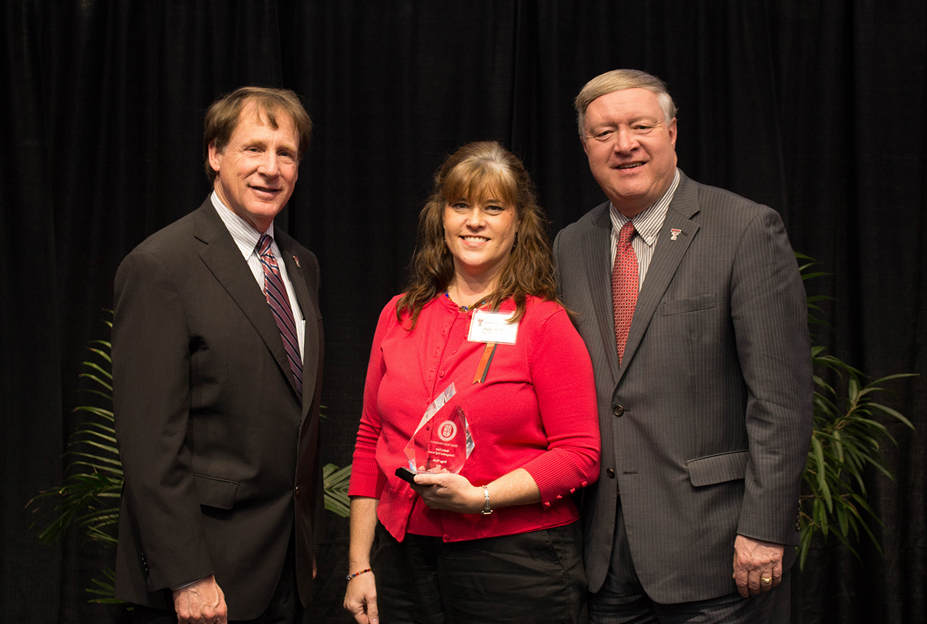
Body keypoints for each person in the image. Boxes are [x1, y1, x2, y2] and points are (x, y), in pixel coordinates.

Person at [554, 69, 814, 623]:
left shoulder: (744, 229)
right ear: (585, 147)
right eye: (604, 133)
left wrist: (764, 529)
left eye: (640, 126)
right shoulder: (571, 245)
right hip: (603, 555)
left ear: (672, 132)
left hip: (718, 551)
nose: (624, 144)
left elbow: (781, 400)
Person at [344, 141, 601, 624]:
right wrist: (359, 565)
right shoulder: (399, 314)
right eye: (461, 205)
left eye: (493, 208)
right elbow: (369, 440)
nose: (474, 221)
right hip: (403, 559)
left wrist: (481, 498)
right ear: (440, 217)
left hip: (516, 562)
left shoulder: (544, 323)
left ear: (519, 221)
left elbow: (580, 455)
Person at [112, 86, 323, 624]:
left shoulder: (302, 265)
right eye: (254, 148)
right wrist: (188, 575)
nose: (271, 168)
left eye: (286, 153)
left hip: (285, 574)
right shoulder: (161, 266)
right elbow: (150, 443)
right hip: (203, 582)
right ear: (214, 154)